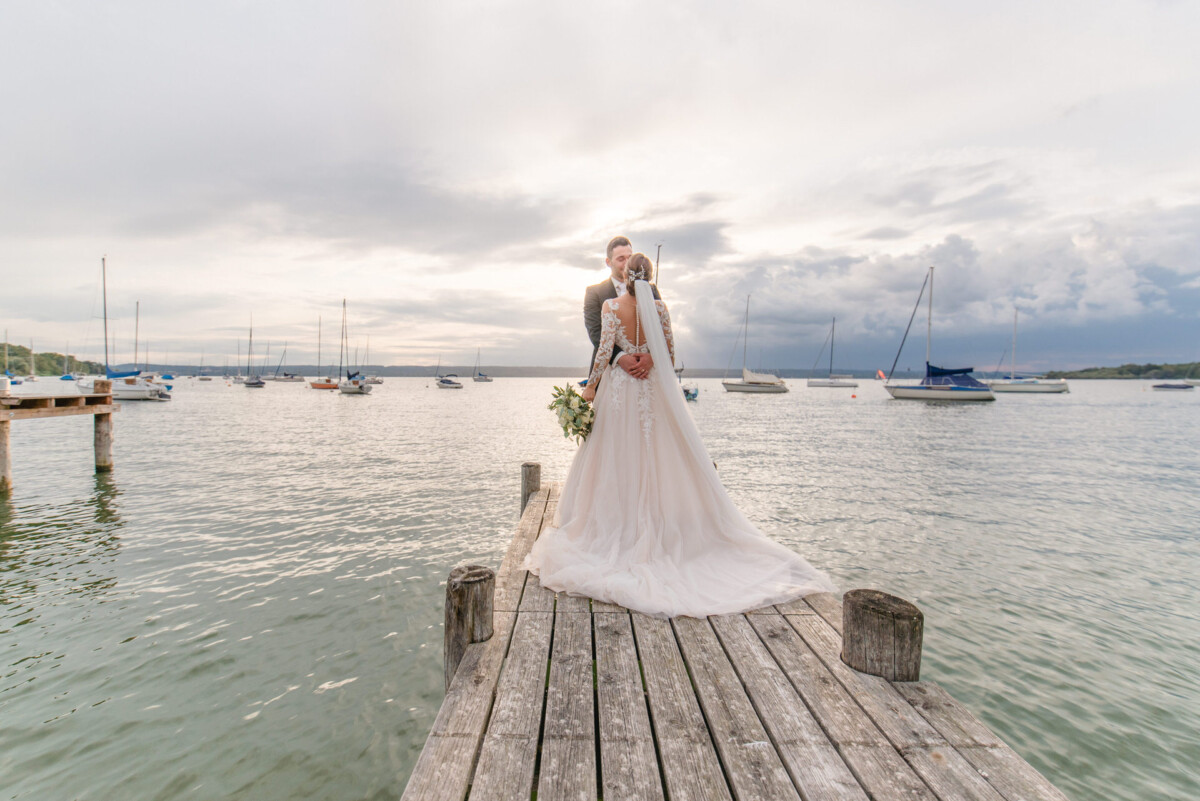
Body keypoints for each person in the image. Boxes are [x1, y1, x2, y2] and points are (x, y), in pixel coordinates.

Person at [525, 254, 835, 618]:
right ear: (650, 277)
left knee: (617, 456)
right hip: (652, 390)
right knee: (655, 455)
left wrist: (591, 389)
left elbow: (604, 352)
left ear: (624, 275)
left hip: (622, 392)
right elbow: (668, 354)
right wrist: (648, 360)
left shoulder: (611, 306)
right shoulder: (660, 308)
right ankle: (661, 525)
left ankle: (619, 525)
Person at [584, 236, 660, 382]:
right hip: (609, 372)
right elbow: (596, 332)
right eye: (620, 259)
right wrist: (621, 358)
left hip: (647, 373)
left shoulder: (651, 290)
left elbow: (660, 329)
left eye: (629, 257)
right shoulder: (594, 293)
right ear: (608, 262)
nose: (626, 263)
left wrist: (652, 357)